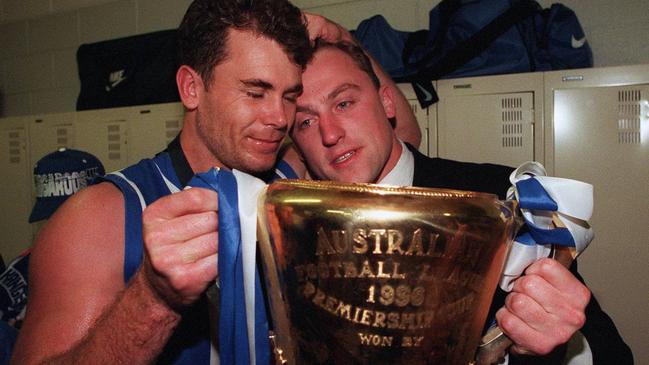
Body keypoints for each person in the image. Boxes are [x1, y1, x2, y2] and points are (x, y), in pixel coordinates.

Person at [287, 38, 633, 364]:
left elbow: (612, 355)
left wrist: (556, 344)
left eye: (344, 103)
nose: (329, 133)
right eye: (305, 121)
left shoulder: (501, 201)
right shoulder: (297, 236)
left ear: (387, 102)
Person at [1, 148, 104, 365]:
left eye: (70, 215)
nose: (60, 226)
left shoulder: (131, 265)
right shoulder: (21, 269)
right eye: (54, 217)